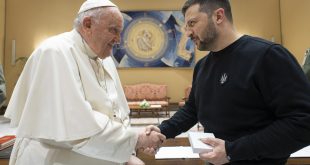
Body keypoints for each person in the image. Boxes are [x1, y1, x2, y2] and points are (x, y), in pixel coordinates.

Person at [145, 0, 310, 164]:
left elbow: (303, 123)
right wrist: (162, 130)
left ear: (218, 16)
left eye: (192, 23)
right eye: (186, 26)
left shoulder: (268, 56)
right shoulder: (203, 66)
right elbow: (192, 110)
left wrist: (232, 151)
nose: (187, 33)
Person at [4, 0, 165, 165]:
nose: (118, 39)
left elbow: (118, 114)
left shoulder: (105, 59)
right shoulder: (55, 52)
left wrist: (127, 152)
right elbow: (77, 128)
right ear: (88, 24)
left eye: (120, 32)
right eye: (113, 30)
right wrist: (136, 139)